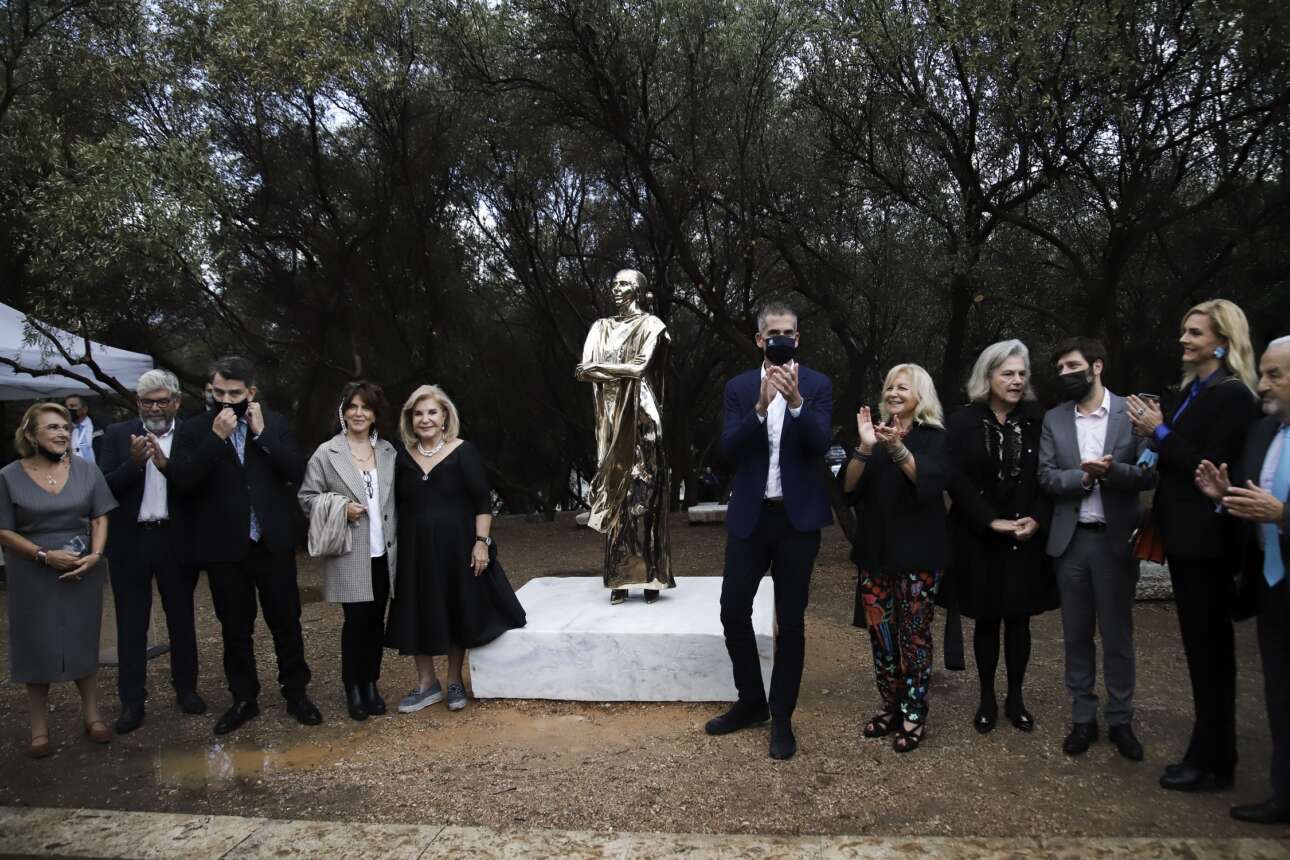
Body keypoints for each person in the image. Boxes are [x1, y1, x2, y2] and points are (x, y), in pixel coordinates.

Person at [1126, 299, 1261, 792]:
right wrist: (1156, 435)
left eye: (1196, 333)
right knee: (1200, 651)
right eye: (1185, 330)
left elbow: (1208, 465)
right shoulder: (1194, 391)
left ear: (1223, 343)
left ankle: (1214, 760)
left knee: (1211, 654)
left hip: (1208, 542)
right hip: (1184, 538)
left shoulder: (1233, 396)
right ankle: (1208, 754)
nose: (1184, 339)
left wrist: (1158, 431)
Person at [705, 302, 832, 761]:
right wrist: (759, 408)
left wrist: (796, 403)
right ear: (760, 339)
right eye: (773, 333)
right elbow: (728, 450)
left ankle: (782, 715)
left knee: (791, 622)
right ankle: (752, 701)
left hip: (798, 521)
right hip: (751, 517)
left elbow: (820, 444)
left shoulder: (817, 385)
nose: (782, 339)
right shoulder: (739, 388)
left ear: (798, 338)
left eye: (789, 333)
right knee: (733, 610)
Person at [167, 356, 321, 735]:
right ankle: (244, 698)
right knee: (235, 628)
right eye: (218, 392)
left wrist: (262, 435)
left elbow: (297, 471)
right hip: (224, 547)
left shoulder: (274, 423)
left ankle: (296, 693)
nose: (225, 400)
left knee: (286, 621)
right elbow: (183, 480)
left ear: (251, 392)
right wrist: (215, 439)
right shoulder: (194, 429)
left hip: (271, 542)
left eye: (234, 393)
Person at [1040, 337, 1156, 761]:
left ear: (1097, 366)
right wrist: (1084, 478)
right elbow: (1047, 477)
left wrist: (1110, 472)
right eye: (1060, 369)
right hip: (1071, 543)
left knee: (1117, 634)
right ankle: (1083, 717)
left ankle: (1121, 719)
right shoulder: (1054, 418)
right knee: (1076, 634)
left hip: (1114, 541)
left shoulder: (1133, 411)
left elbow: (1148, 473)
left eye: (1073, 366)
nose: (1065, 374)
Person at [1195, 335, 1290, 824]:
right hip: (1273, 588)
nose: (1263, 384)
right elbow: (1256, 503)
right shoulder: (1265, 432)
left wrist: (1284, 515)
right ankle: (1284, 795)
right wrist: (1224, 495)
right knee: (1280, 694)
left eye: (1275, 375)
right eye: (1264, 373)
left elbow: (1276, 510)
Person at [386, 385, 525, 714]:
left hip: (456, 549)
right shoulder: (400, 456)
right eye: (418, 414)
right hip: (414, 551)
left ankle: (453, 681)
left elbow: (482, 502)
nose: (425, 419)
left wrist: (481, 543)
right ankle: (426, 684)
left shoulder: (463, 451)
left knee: (454, 608)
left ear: (445, 416)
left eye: (432, 412)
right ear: (410, 419)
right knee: (418, 611)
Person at [946, 340, 1056, 736]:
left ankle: (1016, 698)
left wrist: (1037, 520)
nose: (1016, 380)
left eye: (1022, 374)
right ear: (988, 375)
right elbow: (955, 478)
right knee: (987, 619)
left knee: (1019, 619)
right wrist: (990, 521)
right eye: (1008, 373)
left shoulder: (1040, 420)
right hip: (981, 537)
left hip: (1026, 537)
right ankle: (987, 698)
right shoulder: (962, 421)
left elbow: (1049, 476)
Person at [0, 403, 116, 757]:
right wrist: (44, 555)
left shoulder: (86, 470)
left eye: (65, 427)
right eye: (52, 427)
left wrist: (96, 555)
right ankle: (39, 729)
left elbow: (100, 517)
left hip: (81, 570)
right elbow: (3, 530)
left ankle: (93, 715)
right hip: (31, 572)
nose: (62, 433)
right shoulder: (8, 476)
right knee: (35, 644)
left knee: (83, 639)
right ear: (30, 434)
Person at [843, 364, 948, 753]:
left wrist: (896, 448)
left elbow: (928, 481)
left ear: (921, 395)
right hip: (875, 556)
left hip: (918, 558)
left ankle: (913, 712)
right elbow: (848, 489)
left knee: (914, 636)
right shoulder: (873, 436)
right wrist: (865, 448)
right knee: (881, 636)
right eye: (889, 387)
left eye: (903, 387)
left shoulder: (934, 437)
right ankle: (890, 705)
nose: (893, 393)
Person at [99, 369, 205, 734]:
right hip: (131, 541)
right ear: (137, 402)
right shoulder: (116, 435)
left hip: (176, 539)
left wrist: (167, 467)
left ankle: (186, 689)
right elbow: (103, 489)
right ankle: (132, 702)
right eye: (147, 402)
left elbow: (197, 487)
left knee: (182, 619)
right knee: (131, 624)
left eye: (162, 401)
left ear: (177, 401)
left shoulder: (191, 435)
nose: (155, 408)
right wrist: (133, 464)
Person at [298, 380, 398, 722]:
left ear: (375, 414)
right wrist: (341, 507)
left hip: (384, 552)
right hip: (349, 553)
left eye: (365, 407)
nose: (358, 413)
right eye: (352, 406)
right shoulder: (327, 453)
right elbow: (306, 498)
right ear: (343, 412)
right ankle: (353, 687)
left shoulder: (388, 451)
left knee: (376, 622)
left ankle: (371, 683)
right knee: (355, 622)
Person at [575, 269, 674, 604]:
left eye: (623, 283)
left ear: (637, 290)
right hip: (610, 417)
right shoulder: (600, 327)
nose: (615, 288)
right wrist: (612, 370)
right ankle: (619, 577)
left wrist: (601, 369)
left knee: (646, 491)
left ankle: (651, 577)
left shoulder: (651, 325)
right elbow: (582, 370)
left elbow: (640, 368)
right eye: (613, 283)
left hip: (643, 415)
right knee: (616, 492)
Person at [63, 395, 101, 466]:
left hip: (95, 470)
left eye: (72, 406)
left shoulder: (99, 428)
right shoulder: (63, 429)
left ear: (84, 409)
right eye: (66, 407)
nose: (68, 409)